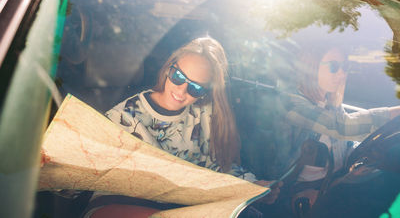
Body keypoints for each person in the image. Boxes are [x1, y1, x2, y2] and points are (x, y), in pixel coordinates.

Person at [81, 37, 281, 218]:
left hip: (182, 207)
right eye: (178, 77)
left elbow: (218, 166)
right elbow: (75, 177)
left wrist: (252, 186)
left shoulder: (205, 114)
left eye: (195, 88)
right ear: (168, 69)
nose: (181, 90)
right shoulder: (122, 116)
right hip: (120, 205)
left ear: (204, 93)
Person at [268, 46, 400, 217]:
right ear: (312, 67)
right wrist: (395, 113)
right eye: (333, 67)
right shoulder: (292, 105)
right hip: (296, 194)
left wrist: (362, 162)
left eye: (345, 67)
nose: (341, 74)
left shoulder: (330, 104)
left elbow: (343, 145)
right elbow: (342, 128)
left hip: (334, 185)